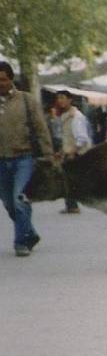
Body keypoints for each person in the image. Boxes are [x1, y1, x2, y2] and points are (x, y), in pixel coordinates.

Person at [0, 61, 54, 257]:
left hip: (23, 158)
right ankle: (29, 232)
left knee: (19, 199)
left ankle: (21, 242)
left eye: (3, 80)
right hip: (1, 162)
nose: (0, 84)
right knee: (8, 203)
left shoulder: (26, 100)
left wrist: (48, 155)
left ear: (11, 79)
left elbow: (41, 129)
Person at [53, 90, 92, 214]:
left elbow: (82, 138)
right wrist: (61, 151)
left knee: (69, 180)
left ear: (70, 100)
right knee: (68, 180)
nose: (60, 100)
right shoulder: (65, 116)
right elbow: (65, 136)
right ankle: (71, 204)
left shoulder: (76, 116)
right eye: (58, 98)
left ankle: (72, 205)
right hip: (69, 152)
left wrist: (72, 152)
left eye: (63, 98)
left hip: (76, 153)